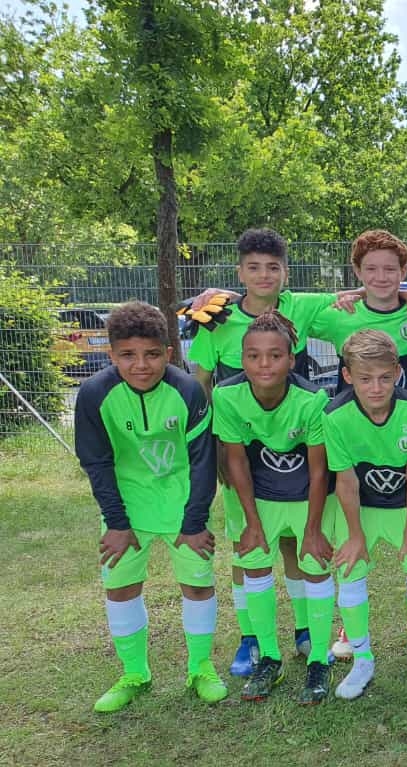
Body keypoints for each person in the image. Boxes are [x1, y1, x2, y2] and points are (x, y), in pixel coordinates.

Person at [188, 228, 342, 679]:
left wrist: (406, 297)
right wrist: (208, 446)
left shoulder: (299, 308)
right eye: (253, 268)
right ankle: (251, 637)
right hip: (239, 449)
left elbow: (355, 296)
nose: (263, 275)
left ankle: (305, 630)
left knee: (295, 543)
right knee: (248, 547)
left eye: (272, 267)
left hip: (294, 454)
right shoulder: (216, 320)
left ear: (285, 273)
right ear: (240, 273)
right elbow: (200, 384)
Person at [73, 301, 224, 713]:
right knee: (121, 586)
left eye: (152, 354)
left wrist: (194, 522)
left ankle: (200, 667)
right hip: (127, 505)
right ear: (111, 355)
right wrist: (116, 522)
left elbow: (203, 461)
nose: (141, 365)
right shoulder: (94, 394)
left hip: (181, 502)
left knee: (197, 584)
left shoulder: (188, 390)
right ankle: (134, 673)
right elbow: (96, 461)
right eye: (128, 355)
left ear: (169, 353)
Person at [212, 311, 335, 703]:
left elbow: (319, 470)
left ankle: (319, 658)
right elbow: (235, 461)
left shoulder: (313, 400)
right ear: (242, 359)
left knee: (315, 564)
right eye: (253, 356)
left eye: (275, 355)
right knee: (254, 563)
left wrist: (312, 530)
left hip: (307, 494)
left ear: (291, 359)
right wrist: (251, 522)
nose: (264, 364)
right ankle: (268, 656)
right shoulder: (226, 396)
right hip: (259, 494)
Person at [321, 330, 407, 699]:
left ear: (398, 372)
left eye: (385, 378)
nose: (376, 388)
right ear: (347, 376)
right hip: (361, 509)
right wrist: (355, 535)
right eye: (365, 378)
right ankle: (362, 659)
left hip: (405, 507)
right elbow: (346, 482)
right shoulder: (335, 416)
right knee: (349, 570)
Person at [310, 230, 407, 398]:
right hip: (354, 415)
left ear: (403, 271)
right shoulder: (341, 313)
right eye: (371, 269)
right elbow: (295, 311)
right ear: (358, 271)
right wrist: (355, 293)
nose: (381, 277)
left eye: (390, 269)